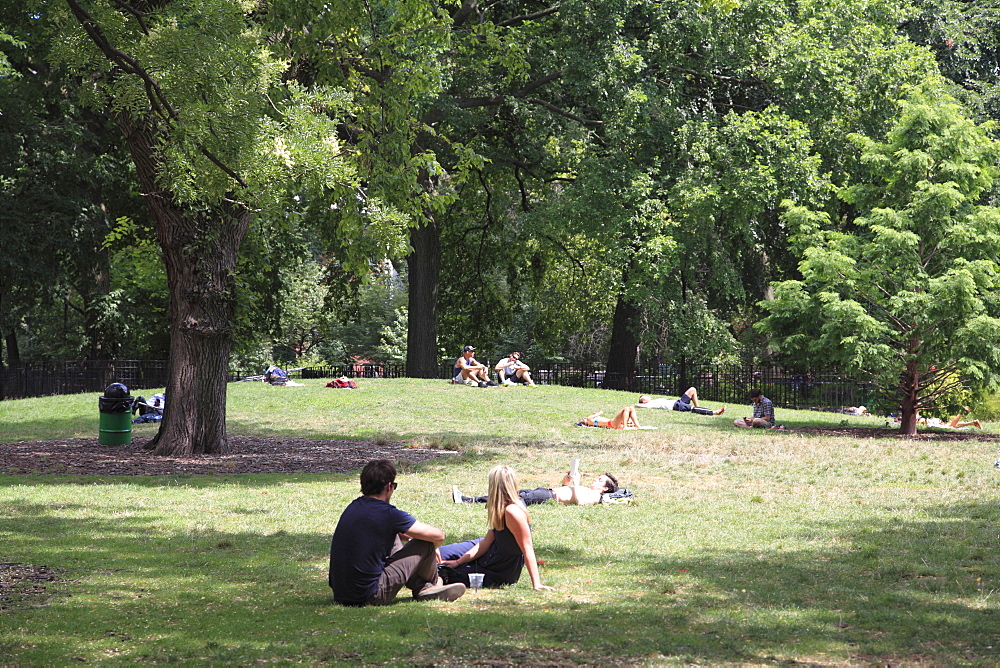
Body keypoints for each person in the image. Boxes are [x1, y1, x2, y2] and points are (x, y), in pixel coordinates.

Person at [328, 459, 466, 606]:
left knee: (395, 535)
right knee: (425, 543)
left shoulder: (353, 507)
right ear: (388, 486)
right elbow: (438, 536)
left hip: (341, 593)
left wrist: (409, 538)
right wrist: (430, 547)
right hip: (370, 595)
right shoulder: (388, 514)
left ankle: (424, 588)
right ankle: (432, 585)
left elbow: (380, 533)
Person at [438, 465, 553, 591]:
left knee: (442, 572)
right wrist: (459, 561)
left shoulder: (512, 511)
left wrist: (536, 584)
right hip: (491, 554)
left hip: (499, 570)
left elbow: (527, 548)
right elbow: (487, 541)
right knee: (438, 555)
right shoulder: (500, 507)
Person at [453, 470, 620, 507]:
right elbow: (568, 492)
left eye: (599, 480)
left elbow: (580, 502)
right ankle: (472, 499)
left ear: (604, 488)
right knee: (512, 494)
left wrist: (576, 483)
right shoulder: (589, 490)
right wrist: (567, 481)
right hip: (547, 491)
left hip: (549, 496)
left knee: (514, 498)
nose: (594, 480)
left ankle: (470, 501)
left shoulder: (596, 496)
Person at [637, 388, 724, 415]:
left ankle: (698, 407)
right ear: (644, 401)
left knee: (692, 389)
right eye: (646, 397)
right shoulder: (650, 404)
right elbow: (638, 405)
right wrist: (639, 404)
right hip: (676, 406)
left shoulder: (654, 401)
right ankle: (714, 412)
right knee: (692, 409)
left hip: (679, 402)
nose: (648, 397)